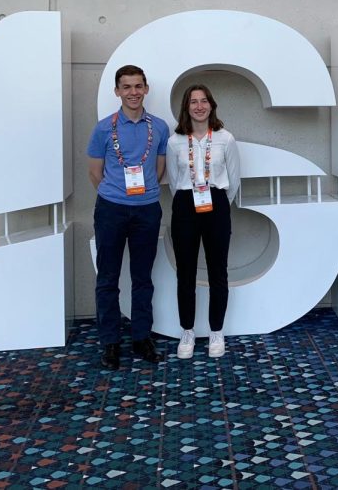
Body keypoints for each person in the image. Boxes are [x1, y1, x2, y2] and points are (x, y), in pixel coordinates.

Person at [87, 65, 169, 369]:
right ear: (117, 91)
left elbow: (159, 169)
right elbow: (95, 173)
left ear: (146, 89)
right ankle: (110, 342)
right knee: (107, 278)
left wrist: (142, 193)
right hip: (110, 209)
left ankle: (141, 337)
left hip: (147, 209)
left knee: (142, 277)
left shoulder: (159, 127)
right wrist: (117, 193)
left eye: (138, 86)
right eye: (126, 87)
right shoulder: (103, 128)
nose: (133, 92)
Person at [166, 84, 241, 359]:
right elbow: (174, 182)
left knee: (217, 272)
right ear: (186, 107)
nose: (199, 106)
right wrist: (190, 199)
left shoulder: (226, 138)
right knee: (184, 273)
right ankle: (187, 331)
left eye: (204, 101)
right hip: (185, 205)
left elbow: (234, 181)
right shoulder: (175, 141)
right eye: (193, 102)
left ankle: (216, 332)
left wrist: (216, 201)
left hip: (217, 204)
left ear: (212, 105)